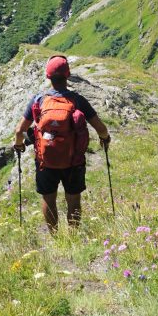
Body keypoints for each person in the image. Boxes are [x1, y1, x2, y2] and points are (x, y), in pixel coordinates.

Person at [13, 55, 110, 234]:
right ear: (68, 75)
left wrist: (19, 146)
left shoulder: (39, 100)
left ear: (48, 77)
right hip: (73, 160)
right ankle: (73, 237)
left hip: (45, 160)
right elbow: (101, 128)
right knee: (73, 199)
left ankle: (55, 237)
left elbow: (20, 131)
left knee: (49, 199)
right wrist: (105, 139)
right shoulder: (78, 100)